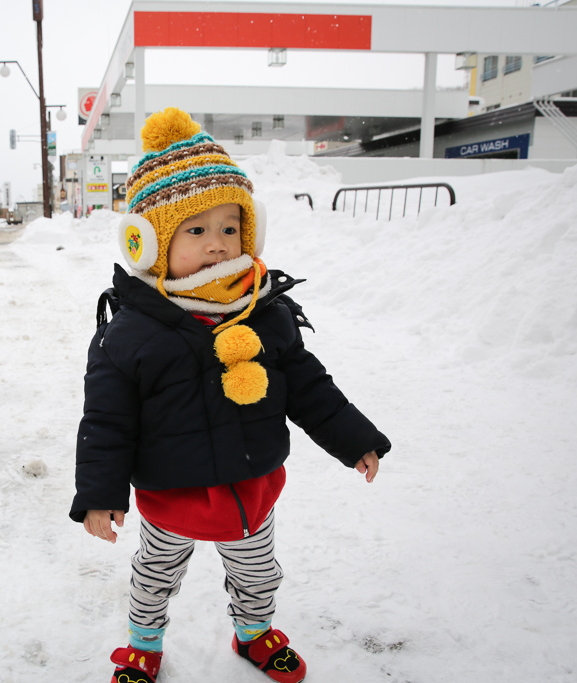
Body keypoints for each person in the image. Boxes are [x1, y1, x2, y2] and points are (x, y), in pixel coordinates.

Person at [70, 108, 392, 683]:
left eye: (229, 227)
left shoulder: (263, 311)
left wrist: (355, 440)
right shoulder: (130, 332)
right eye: (195, 231)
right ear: (148, 243)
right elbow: (106, 421)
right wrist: (99, 493)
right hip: (172, 495)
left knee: (259, 574)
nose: (217, 245)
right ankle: (143, 645)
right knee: (155, 576)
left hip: (251, 488)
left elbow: (310, 387)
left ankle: (253, 633)